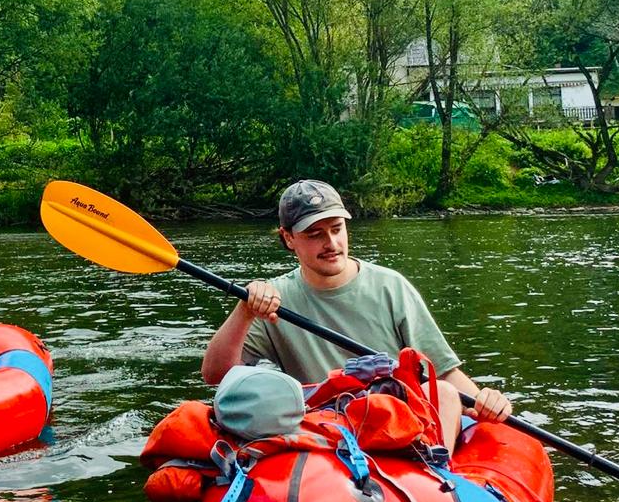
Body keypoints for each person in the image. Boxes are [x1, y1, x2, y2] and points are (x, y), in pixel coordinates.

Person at [201, 178, 512, 453]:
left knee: (445, 393)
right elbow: (216, 375)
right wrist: (243, 312)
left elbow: (442, 373)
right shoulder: (273, 299)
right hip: (325, 429)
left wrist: (485, 401)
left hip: (399, 422)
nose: (332, 243)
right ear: (288, 238)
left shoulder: (391, 286)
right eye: (315, 234)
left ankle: (435, 471)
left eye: (337, 229)